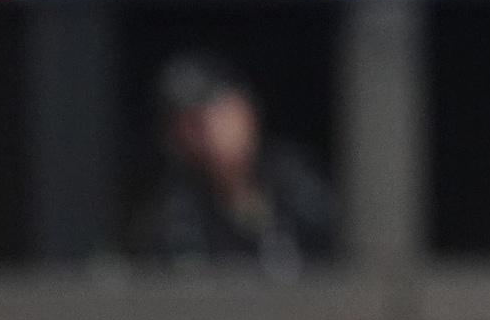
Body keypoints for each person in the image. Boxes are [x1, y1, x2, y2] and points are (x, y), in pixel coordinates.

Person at [131, 54, 336, 276]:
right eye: (195, 123)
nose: (213, 131)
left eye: (222, 112)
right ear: (176, 136)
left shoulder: (296, 178)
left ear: (246, 109)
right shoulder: (173, 218)